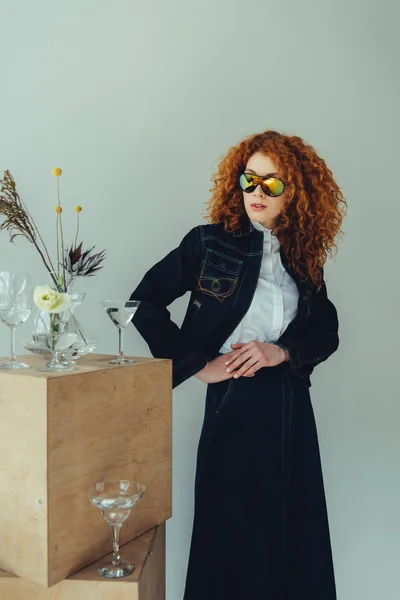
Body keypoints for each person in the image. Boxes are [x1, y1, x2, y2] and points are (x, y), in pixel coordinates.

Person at [130, 129, 346, 600]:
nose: (257, 193)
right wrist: (196, 365)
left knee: (294, 537)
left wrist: (282, 351)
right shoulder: (209, 244)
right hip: (234, 402)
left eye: (272, 183)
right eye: (250, 180)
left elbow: (325, 331)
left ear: (296, 192)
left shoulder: (303, 260)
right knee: (232, 538)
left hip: (290, 406)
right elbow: (142, 303)